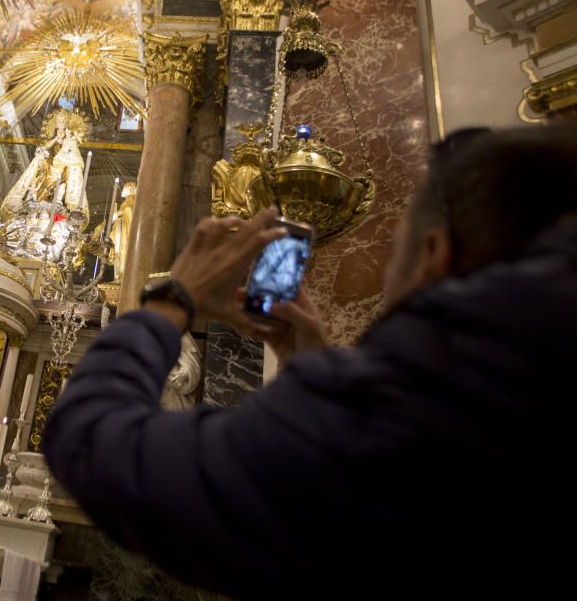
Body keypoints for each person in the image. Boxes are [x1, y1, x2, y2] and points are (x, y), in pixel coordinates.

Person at [43, 125, 577, 595]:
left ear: (435, 256)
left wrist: (170, 301)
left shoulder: (399, 419)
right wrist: (318, 378)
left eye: (396, 246)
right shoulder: (518, 397)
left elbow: (88, 440)